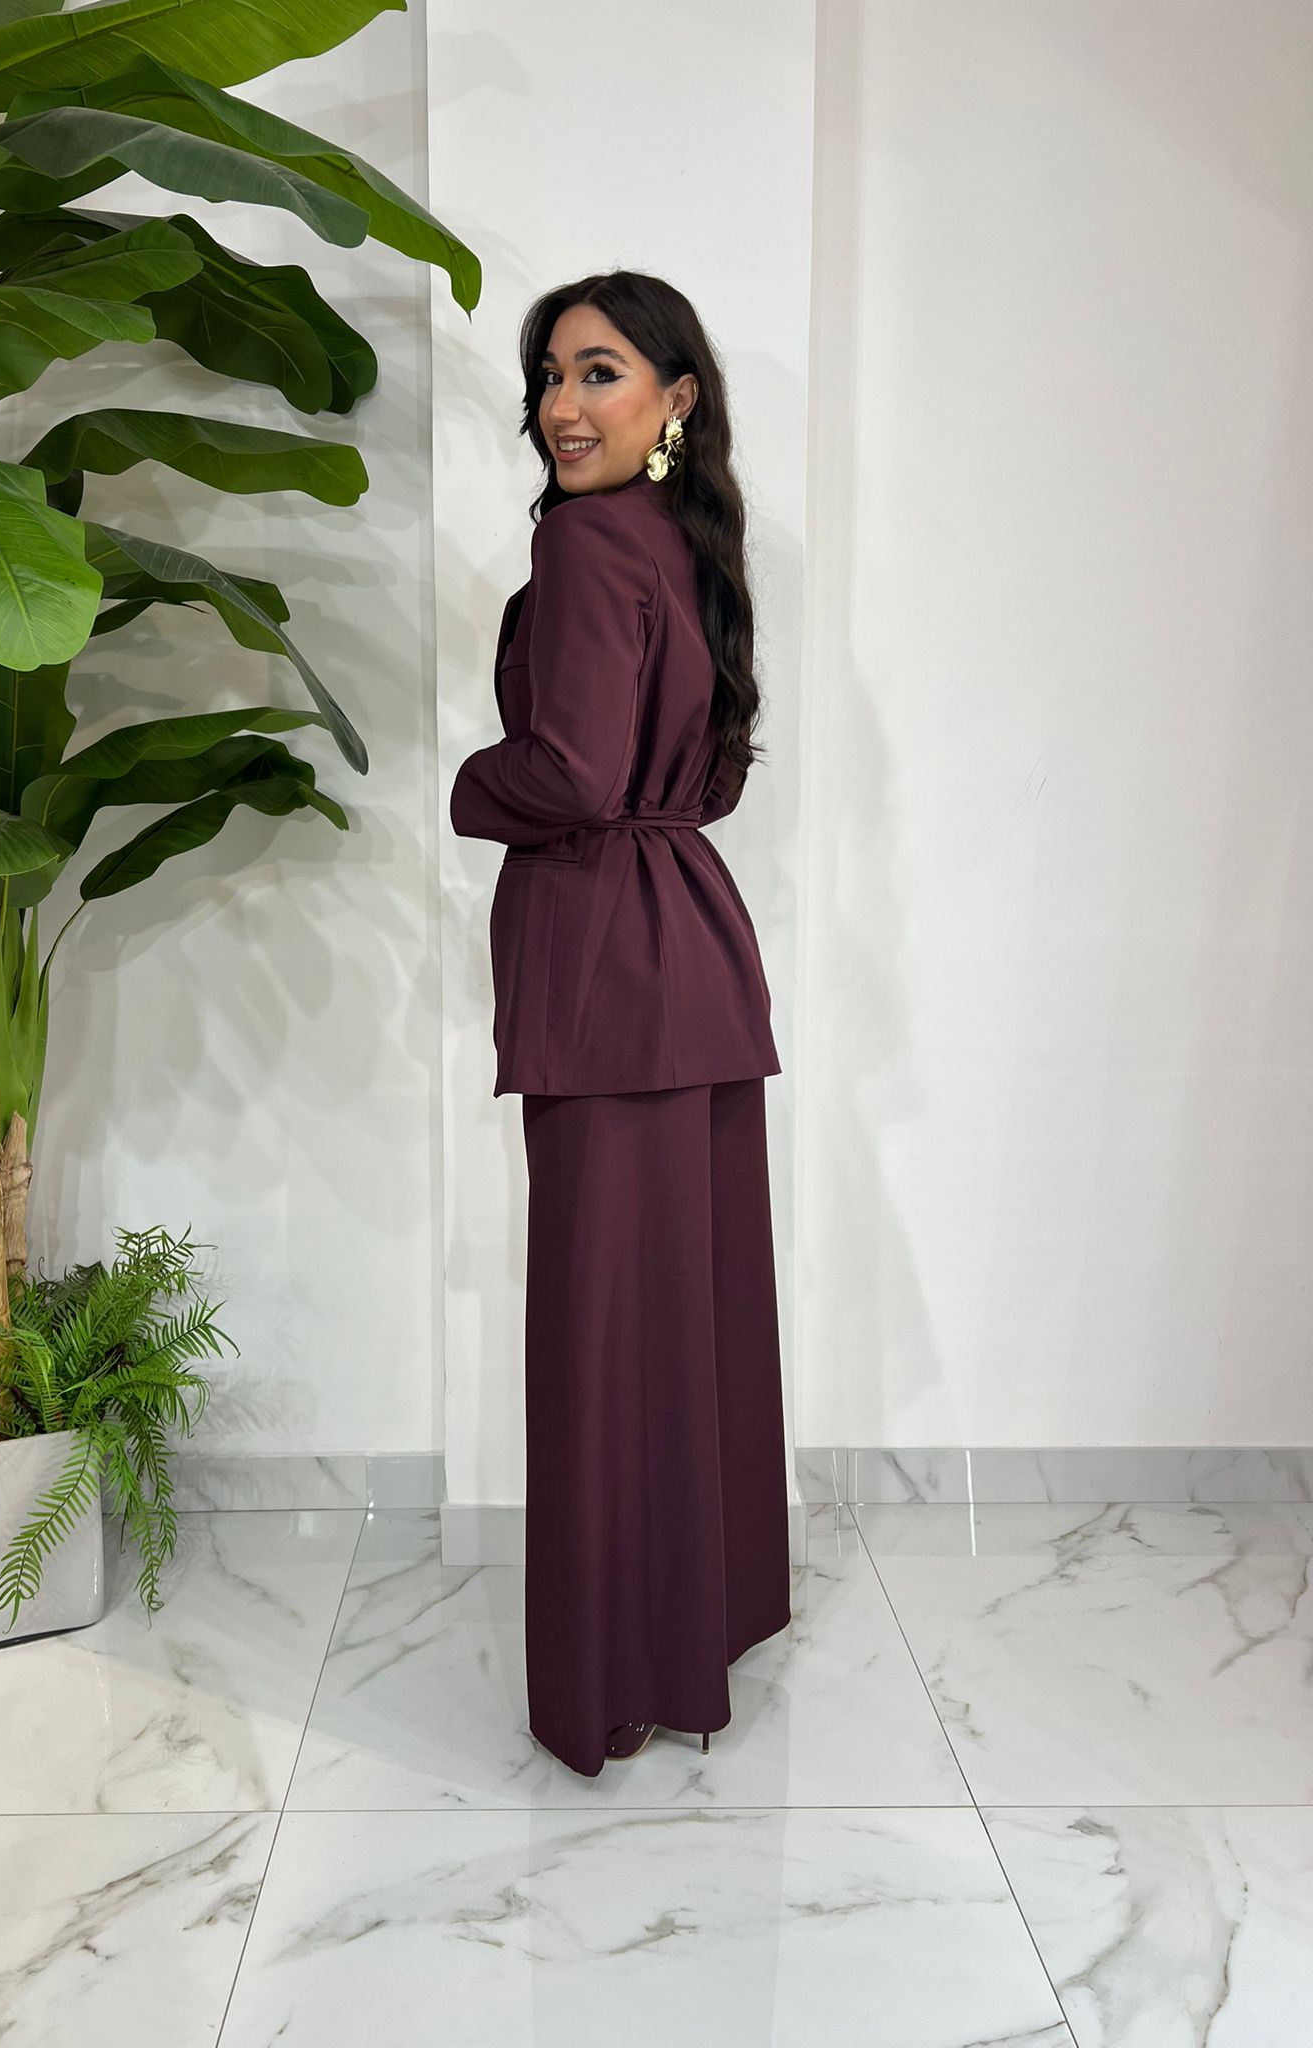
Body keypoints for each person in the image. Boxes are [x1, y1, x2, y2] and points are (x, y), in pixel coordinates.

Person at [449, 272, 793, 1779]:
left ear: (676, 398)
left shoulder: (587, 543)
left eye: (599, 372)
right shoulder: (684, 544)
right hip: (695, 953)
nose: (561, 406)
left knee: (602, 1333)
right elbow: (706, 779)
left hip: (605, 969)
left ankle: (609, 1680)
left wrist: (471, 785)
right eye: (549, 375)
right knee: (689, 1317)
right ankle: (696, 1632)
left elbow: (572, 775)